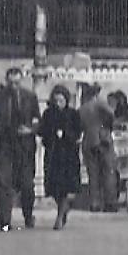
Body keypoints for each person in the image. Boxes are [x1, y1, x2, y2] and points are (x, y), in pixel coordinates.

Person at [0, 65, 41, 232]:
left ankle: (28, 215)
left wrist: (31, 130)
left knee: (26, 185)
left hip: (24, 147)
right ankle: (4, 221)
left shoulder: (30, 97)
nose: (14, 86)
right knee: (3, 185)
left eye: (17, 82)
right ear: (7, 81)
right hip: (4, 146)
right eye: (11, 83)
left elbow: (37, 119)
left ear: (21, 81)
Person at [39, 85, 83, 230]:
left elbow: (78, 133)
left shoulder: (73, 114)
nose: (58, 103)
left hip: (68, 156)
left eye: (61, 100)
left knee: (65, 187)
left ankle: (59, 216)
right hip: (53, 155)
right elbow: (43, 131)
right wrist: (51, 136)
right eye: (56, 100)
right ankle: (62, 211)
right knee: (54, 188)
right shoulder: (48, 114)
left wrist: (65, 134)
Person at [79, 84, 117, 212]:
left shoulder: (82, 108)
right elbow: (112, 115)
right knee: (108, 172)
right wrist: (107, 127)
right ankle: (110, 202)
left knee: (93, 174)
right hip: (103, 139)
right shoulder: (101, 104)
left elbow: (80, 125)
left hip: (88, 141)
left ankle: (94, 203)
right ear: (96, 93)